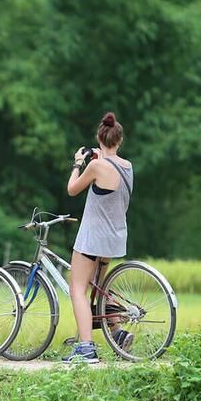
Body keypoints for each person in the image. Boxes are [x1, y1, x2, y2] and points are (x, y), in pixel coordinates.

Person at [64, 112, 134, 364]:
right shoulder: (127, 167)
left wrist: (77, 163)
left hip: (93, 237)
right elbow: (110, 172)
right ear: (120, 140)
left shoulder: (95, 166)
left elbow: (72, 190)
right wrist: (100, 156)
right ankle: (117, 332)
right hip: (115, 237)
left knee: (77, 290)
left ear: (99, 137)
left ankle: (85, 348)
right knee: (98, 289)